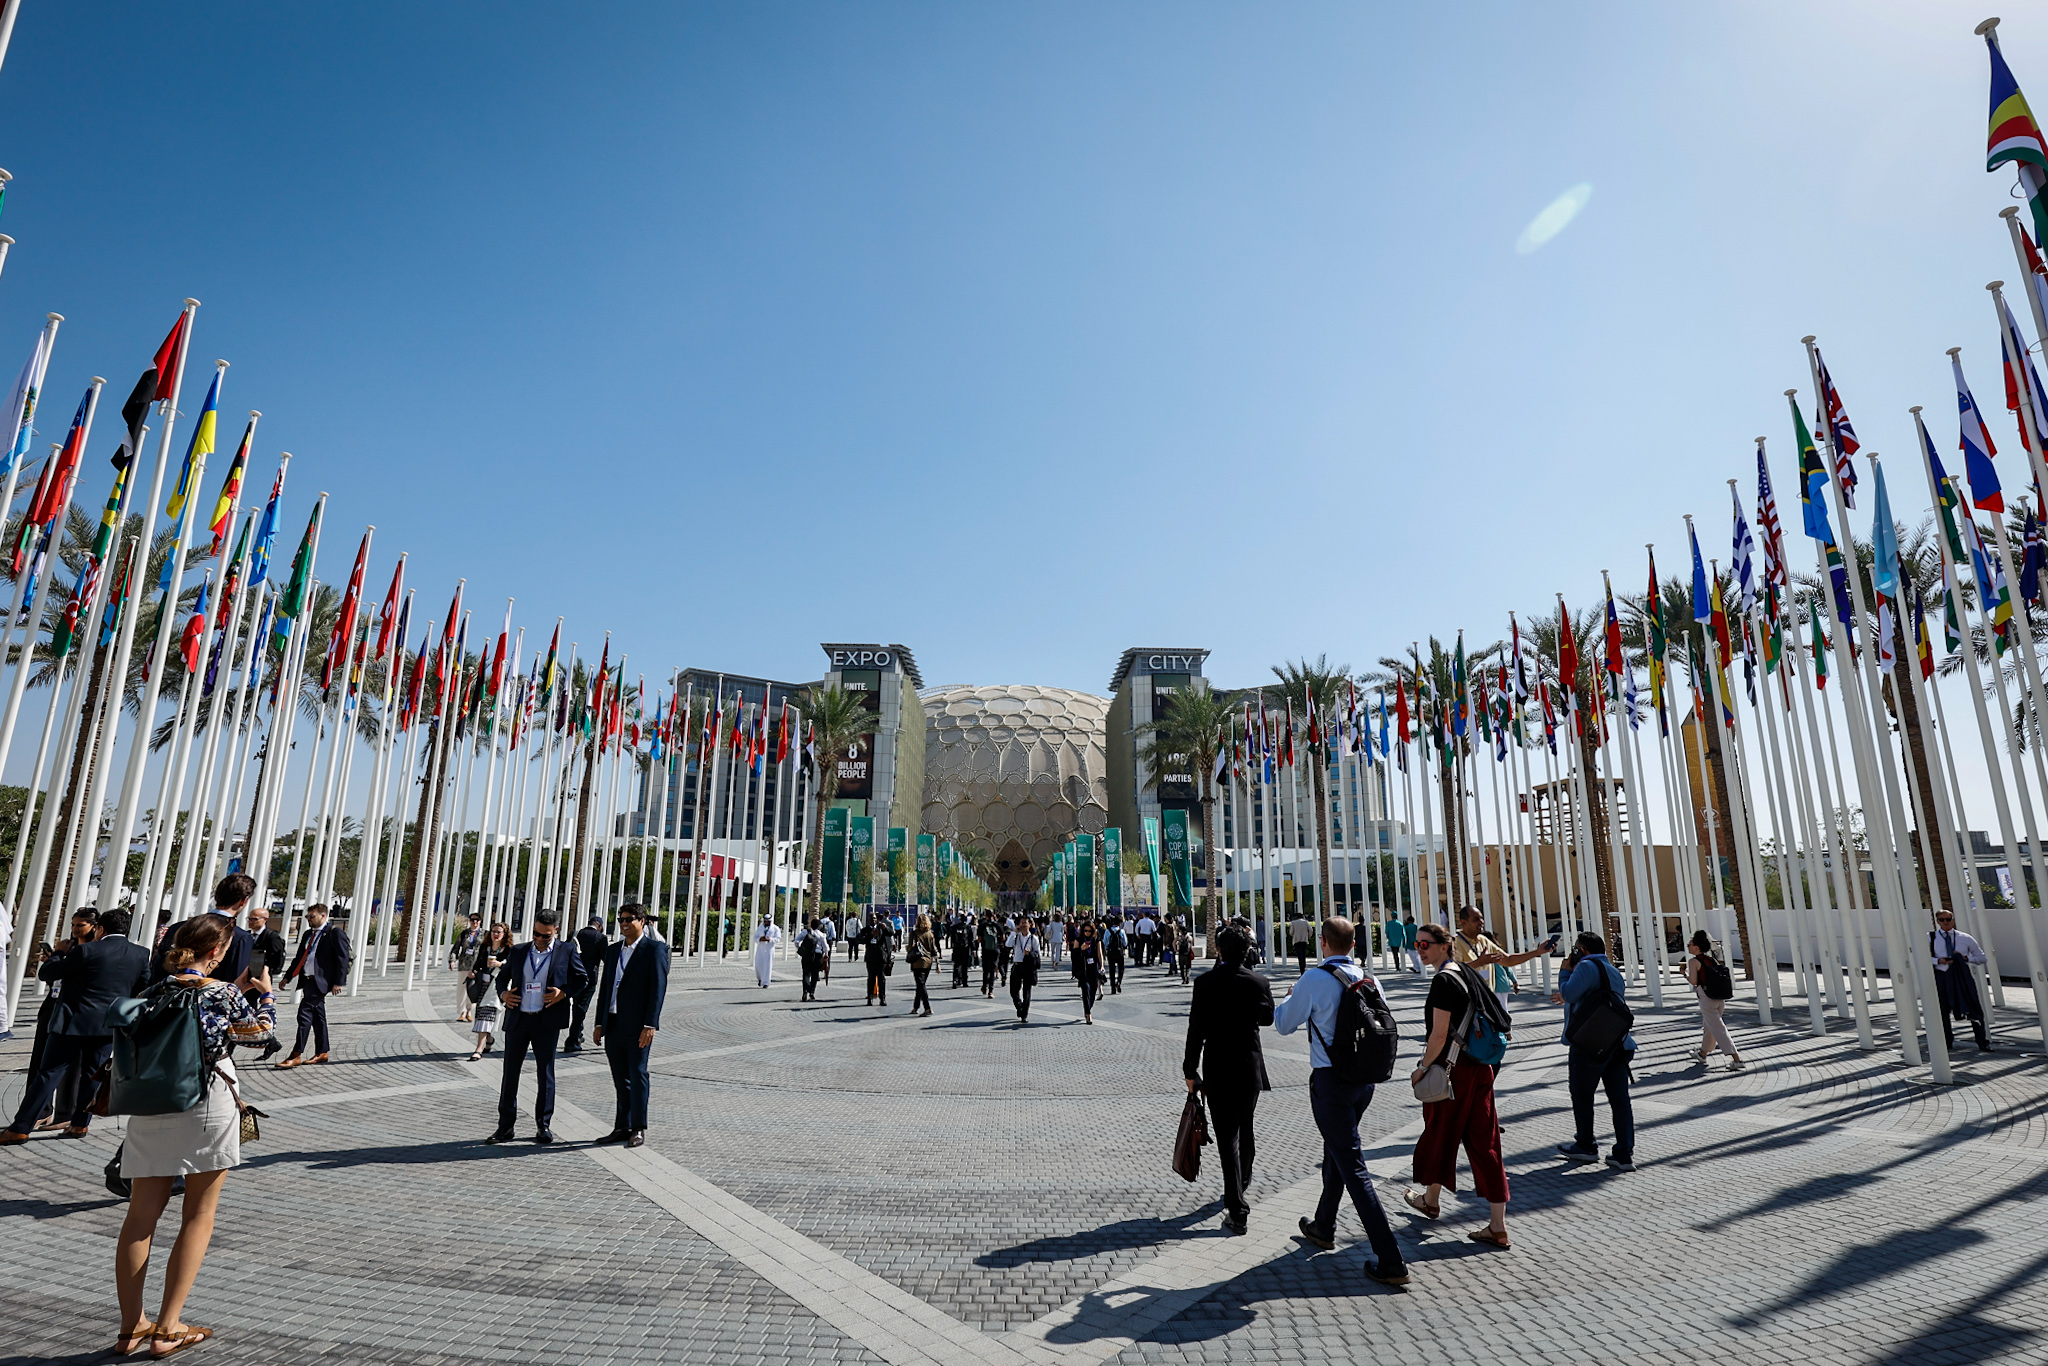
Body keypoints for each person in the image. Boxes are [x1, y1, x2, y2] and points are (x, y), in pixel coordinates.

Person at [113, 912, 276, 1357]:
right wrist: (266, 996)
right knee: (198, 1214)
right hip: (205, 1104)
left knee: (139, 1218)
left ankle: (131, 1327)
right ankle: (168, 1328)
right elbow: (259, 1035)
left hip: (151, 1106)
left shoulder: (153, 991)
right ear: (217, 952)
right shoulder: (222, 993)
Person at [1275, 916, 1408, 1286]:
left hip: (1331, 1082)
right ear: (1353, 944)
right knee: (1337, 1151)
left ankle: (1391, 1259)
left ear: (1323, 942)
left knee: (1354, 1168)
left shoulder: (1313, 979)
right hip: (1364, 1082)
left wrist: (1289, 997)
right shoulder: (1370, 979)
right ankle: (1324, 1225)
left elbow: (1283, 1024)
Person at [1, 908, 150, 1144]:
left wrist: (58, 954)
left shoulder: (86, 950)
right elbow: (142, 988)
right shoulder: (140, 953)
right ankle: (80, 1124)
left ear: (101, 928)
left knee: (49, 1073)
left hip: (72, 1022)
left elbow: (47, 973)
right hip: (107, 1025)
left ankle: (21, 1128)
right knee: (93, 1076)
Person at [1404, 923, 1512, 1248]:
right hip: (1481, 1068)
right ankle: (1497, 1225)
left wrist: (1422, 1068)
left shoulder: (1443, 980)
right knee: (1486, 1142)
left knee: (1439, 1132)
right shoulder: (1466, 972)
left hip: (1452, 1071)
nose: (1420, 950)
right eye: (1417, 945)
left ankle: (1431, 1200)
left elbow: (1438, 1035)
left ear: (1443, 945)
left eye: (1425, 944)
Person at [1182, 926, 1274, 1234]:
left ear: (1219, 950)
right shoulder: (1259, 982)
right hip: (1249, 1066)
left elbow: (1196, 1030)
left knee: (1227, 1138)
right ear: (1248, 951)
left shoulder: (1205, 983)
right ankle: (1241, 1184)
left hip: (1218, 1066)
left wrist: (1190, 1070)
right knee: (1245, 1127)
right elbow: (1267, 1018)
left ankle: (1237, 1206)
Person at [487, 908, 592, 1145]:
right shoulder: (519, 950)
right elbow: (502, 977)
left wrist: (563, 993)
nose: (540, 939)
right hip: (519, 1019)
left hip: (547, 1021)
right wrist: (504, 994)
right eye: (536, 933)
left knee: (545, 1073)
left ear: (556, 931)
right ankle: (505, 1127)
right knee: (510, 1073)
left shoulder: (567, 951)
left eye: (546, 935)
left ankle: (543, 1126)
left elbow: (582, 979)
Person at [1555, 931, 1637, 1172]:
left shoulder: (1585, 967)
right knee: (1620, 1099)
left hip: (1588, 1044)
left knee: (1582, 1094)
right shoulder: (1612, 970)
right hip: (1617, 1043)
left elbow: (1568, 994)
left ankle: (1586, 1145)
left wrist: (1564, 972)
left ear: (1581, 950)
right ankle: (1624, 1153)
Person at [592, 903, 668, 1148]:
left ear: (642, 922)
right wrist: (599, 1022)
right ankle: (621, 1126)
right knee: (620, 1078)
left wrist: (650, 1024)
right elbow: (605, 987)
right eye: (621, 919)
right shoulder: (613, 950)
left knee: (637, 1074)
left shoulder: (654, 950)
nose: (624, 923)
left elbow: (658, 990)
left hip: (638, 1026)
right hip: (613, 1023)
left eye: (629, 919)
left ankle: (638, 1127)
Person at [275, 903, 351, 1069]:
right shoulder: (308, 934)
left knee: (304, 1015)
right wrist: (287, 977)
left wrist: (338, 982)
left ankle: (296, 1054)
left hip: (321, 981)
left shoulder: (334, 933)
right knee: (318, 1017)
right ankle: (322, 1052)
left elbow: (343, 958)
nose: (309, 919)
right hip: (308, 980)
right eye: (307, 917)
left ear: (323, 916)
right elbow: (299, 958)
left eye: (312, 916)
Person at [153, 874, 257, 988]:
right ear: (244, 901)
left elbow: (157, 972)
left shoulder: (177, 927)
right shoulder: (240, 937)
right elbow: (238, 982)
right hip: (215, 997)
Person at [1451, 906, 1555, 1013]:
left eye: (1481, 918)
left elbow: (1508, 960)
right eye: (1475, 919)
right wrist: (1479, 962)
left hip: (1487, 1002)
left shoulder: (1483, 940)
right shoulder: (1455, 943)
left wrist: (1537, 952)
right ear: (1464, 922)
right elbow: (1454, 971)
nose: (1481, 922)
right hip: (1468, 1004)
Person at [1930, 911, 1994, 1053]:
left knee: (1973, 1007)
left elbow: (1982, 958)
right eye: (1942, 920)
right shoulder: (1931, 938)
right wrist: (1938, 961)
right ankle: (1947, 1041)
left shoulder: (1965, 938)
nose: (1945, 922)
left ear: (1953, 920)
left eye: (1948, 919)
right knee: (1942, 1010)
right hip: (1942, 976)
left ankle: (1982, 1042)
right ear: (1937, 921)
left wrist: (1965, 958)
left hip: (1961, 976)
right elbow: (1921, 957)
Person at [1685, 930, 1745, 1069]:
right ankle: (1703, 1053)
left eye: (1690, 944)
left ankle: (1737, 1059)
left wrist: (1684, 974)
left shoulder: (1693, 961)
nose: (1688, 946)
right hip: (1718, 997)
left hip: (1706, 998)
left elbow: (1694, 981)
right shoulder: (1711, 960)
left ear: (1697, 947)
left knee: (1718, 1028)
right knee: (1709, 1026)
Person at [466, 921, 513, 1060]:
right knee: (482, 1014)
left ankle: (478, 1049)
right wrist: (473, 971)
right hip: (483, 984)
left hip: (496, 986)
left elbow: (512, 967)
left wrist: (499, 964)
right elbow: (478, 962)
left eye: (499, 932)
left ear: (505, 934)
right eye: (493, 931)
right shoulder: (485, 947)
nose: (495, 934)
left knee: (486, 1015)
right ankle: (489, 1039)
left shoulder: (509, 949)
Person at [566, 916, 610, 1052]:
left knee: (576, 1006)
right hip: (589, 978)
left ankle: (578, 1033)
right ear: (600, 926)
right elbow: (606, 958)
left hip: (573, 976)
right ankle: (572, 1040)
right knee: (581, 1008)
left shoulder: (576, 934)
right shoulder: (601, 938)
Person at [450, 912, 485, 1022]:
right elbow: (456, 948)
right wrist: (452, 960)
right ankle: (462, 1011)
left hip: (477, 965)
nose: (475, 922)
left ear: (480, 921)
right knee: (461, 989)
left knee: (472, 988)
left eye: (477, 920)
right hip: (464, 964)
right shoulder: (464, 934)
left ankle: (469, 1011)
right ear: (469, 921)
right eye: (472, 920)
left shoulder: (485, 934)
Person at [1070, 915, 1103, 1024]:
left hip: (1093, 968)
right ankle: (1088, 1014)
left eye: (1089, 931)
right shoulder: (1078, 940)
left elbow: (1100, 954)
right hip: (1083, 969)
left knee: (1093, 991)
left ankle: (1088, 1008)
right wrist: (1081, 949)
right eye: (1085, 931)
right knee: (1085, 990)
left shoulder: (1096, 940)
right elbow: (1073, 956)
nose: (1087, 933)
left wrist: (1102, 966)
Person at [1007, 916, 1040, 1023]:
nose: (1023, 925)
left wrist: (1029, 953)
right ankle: (1019, 1006)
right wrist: (1014, 932)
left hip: (1028, 967)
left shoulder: (1033, 939)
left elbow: (1037, 954)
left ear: (1029, 925)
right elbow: (1008, 944)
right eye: (1021, 923)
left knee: (1026, 991)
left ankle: (1024, 1014)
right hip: (1017, 965)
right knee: (1013, 990)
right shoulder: (1016, 936)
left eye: (1025, 923)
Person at [907, 913, 938, 1017]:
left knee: (921, 985)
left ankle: (927, 1007)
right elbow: (934, 949)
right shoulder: (930, 934)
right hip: (928, 962)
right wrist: (938, 963)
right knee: (920, 984)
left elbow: (910, 948)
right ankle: (915, 1007)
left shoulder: (914, 933)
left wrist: (909, 947)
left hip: (917, 962)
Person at [863, 914, 895, 1007]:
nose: (873, 920)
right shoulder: (865, 930)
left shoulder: (881, 928)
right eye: (871, 918)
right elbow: (861, 940)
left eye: (874, 918)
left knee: (881, 978)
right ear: (868, 920)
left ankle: (882, 998)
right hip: (870, 957)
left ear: (877, 919)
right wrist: (871, 935)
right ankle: (870, 998)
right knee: (871, 978)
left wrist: (886, 928)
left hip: (881, 957)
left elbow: (891, 933)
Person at [797, 918, 829, 1001]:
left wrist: (800, 948)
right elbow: (826, 947)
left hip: (807, 955)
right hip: (817, 956)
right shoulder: (821, 935)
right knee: (815, 974)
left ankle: (805, 990)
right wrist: (826, 955)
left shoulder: (805, 932)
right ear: (818, 926)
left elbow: (796, 941)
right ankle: (812, 992)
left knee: (806, 974)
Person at [753, 916, 782, 989]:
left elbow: (778, 938)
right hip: (760, 949)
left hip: (769, 949)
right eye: (765, 921)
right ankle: (760, 978)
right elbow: (755, 937)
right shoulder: (760, 928)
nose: (766, 922)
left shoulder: (775, 928)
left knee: (767, 966)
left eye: (768, 921)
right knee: (758, 965)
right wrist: (760, 939)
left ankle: (766, 982)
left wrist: (770, 939)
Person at [979, 915, 1003, 997]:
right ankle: (991, 991)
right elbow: (1003, 937)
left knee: (985, 970)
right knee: (992, 970)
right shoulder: (997, 925)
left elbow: (979, 939)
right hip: (995, 950)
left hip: (985, 950)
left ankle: (984, 986)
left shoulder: (982, 925)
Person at [1104, 914, 1128, 994]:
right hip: (1119, 952)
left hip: (1111, 952)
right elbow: (1125, 943)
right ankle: (1119, 981)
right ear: (1120, 923)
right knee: (1121, 968)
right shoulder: (1121, 931)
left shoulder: (1108, 931)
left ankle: (1113, 988)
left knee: (1112, 970)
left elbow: (1105, 942)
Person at [949, 912, 973, 989]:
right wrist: (972, 949)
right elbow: (971, 939)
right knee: (964, 966)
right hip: (965, 948)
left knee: (956, 965)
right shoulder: (968, 928)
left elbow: (952, 938)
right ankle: (964, 981)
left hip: (957, 948)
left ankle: (955, 980)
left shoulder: (955, 927)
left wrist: (953, 946)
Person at [1288, 912, 1315, 976]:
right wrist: (1308, 936)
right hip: (1304, 940)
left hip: (1297, 940)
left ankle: (1301, 969)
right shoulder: (1305, 922)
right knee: (1303, 954)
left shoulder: (1293, 923)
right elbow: (1311, 930)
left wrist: (1294, 935)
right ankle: (1304, 966)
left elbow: (1291, 932)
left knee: (1299, 955)